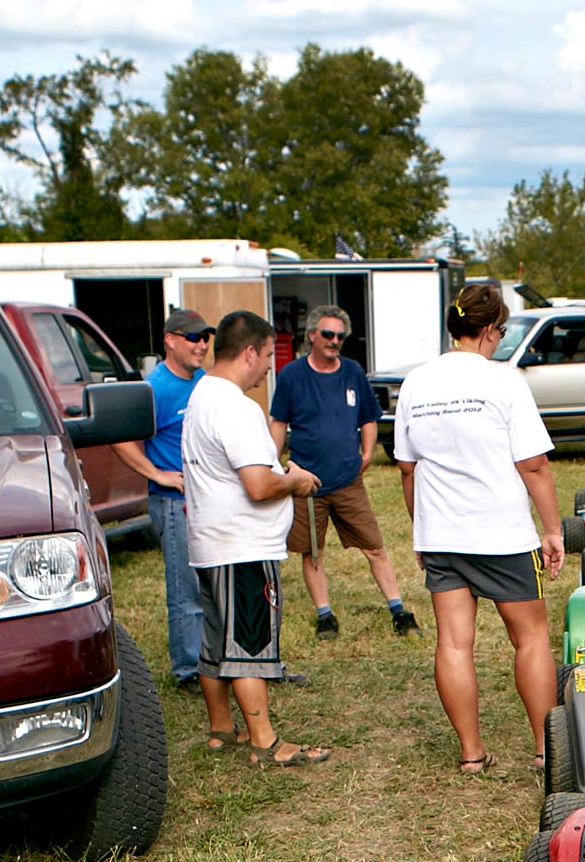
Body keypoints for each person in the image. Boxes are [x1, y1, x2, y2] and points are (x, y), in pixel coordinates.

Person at [392, 281, 563, 775]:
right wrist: (552, 529)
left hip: (442, 533)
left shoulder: (416, 383)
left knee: (453, 642)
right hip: (501, 533)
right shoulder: (504, 380)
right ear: (489, 329)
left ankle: (472, 754)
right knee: (530, 638)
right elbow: (533, 465)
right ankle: (545, 750)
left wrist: (421, 531)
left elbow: (408, 469)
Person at [180, 309, 332, 766]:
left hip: (210, 543)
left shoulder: (202, 395)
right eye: (267, 355)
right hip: (242, 546)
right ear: (249, 352)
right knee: (248, 645)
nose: (269, 366)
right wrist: (296, 480)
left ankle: (222, 730)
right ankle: (265, 742)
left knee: (216, 642)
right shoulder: (236, 407)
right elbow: (259, 485)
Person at [270, 303, 416, 643]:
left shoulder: (352, 372)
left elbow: (368, 416)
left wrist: (367, 453)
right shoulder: (292, 375)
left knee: (375, 547)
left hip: (348, 478)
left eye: (340, 336)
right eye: (328, 334)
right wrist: (275, 463)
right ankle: (325, 615)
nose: (334, 341)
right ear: (311, 336)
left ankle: (398, 609)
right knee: (313, 552)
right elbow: (279, 422)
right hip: (306, 482)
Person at [110, 307, 209, 690]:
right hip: (171, 503)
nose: (201, 345)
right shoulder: (156, 388)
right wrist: (157, 474)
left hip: (203, 498)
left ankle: (210, 659)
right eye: (193, 337)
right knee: (185, 588)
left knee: (207, 583)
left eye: (206, 338)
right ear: (170, 341)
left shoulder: (202, 381)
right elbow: (122, 437)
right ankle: (188, 669)